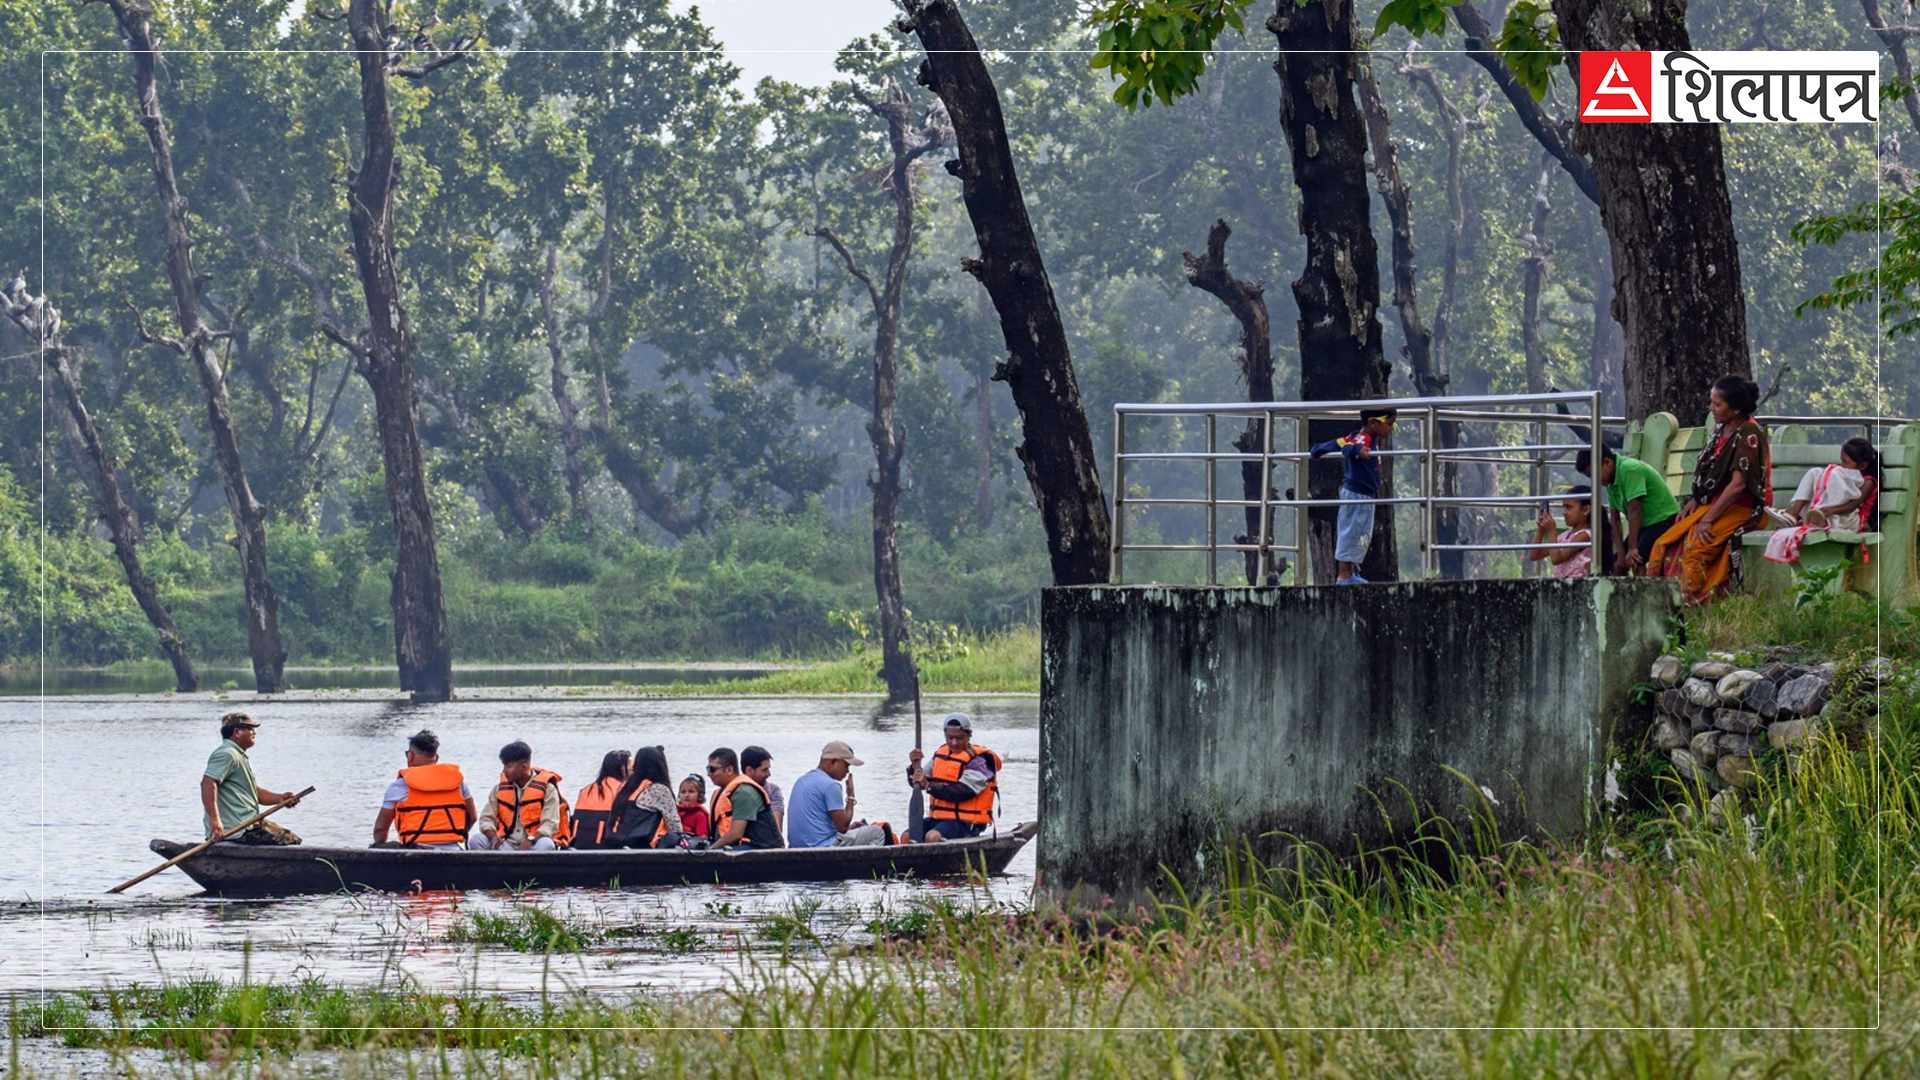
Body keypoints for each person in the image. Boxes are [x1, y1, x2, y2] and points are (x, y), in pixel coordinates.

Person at [1648, 375, 1772, 605]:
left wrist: (1708, 519)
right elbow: (1711, 477)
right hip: (1713, 505)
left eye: (1717, 404)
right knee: (1664, 544)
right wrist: (1697, 502)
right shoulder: (1720, 430)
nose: (1711, 408)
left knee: (1695, 553)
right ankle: (1660, 605)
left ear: (1735, 409)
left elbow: (1738, 486)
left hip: (1742, 508)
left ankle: (1693, 609)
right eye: (1711, 403)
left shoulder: (1749, 434)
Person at [1308, 406, 1396, 584]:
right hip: (1358, 495)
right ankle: (1343, 576)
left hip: (1363, 495)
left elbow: (1338, 443)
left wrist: (1318, 449)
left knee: (1358, 533)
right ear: (1373, 423)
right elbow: (1347, 448)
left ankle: (1350, 573)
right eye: (1389, 423)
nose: (1391, 428)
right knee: (1350, 532)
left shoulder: (1363, 437)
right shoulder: (1362, 439)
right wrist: (1357, 451)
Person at [1765, 437, 1880, 565]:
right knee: (1815, 472)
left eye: (1846, 462)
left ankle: (1819, 518)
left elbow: (1852, 506)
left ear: (1863, 465)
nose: (1842, 466)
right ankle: (1793, 514)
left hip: (1849, 520)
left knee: (1835, 474)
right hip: (1827, 513)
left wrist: (1828, 511)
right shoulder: (1845, 474)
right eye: (1841, 461)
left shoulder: (1868, 481)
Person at [1576, 444, 1680, 575]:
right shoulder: (1611, 484)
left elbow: (1634, 510)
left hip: (1664, 519)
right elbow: (1614, 519)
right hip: (1645, 526)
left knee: (1636, 559)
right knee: (1616, 565)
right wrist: (1621, 553)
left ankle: (1642, 591)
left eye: (1593, 474)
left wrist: (1632, 549)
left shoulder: (1629, 469)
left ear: (1607, 462)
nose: (1594, 480)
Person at [201, 713, 304, 845]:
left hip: (248, 825)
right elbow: (208, 783)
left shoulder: (237, 755)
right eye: (250, 728)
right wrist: (215, 820)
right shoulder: (227, 754)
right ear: (237, 732)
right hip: (237, 830)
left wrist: (280, 799)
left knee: (291, 839)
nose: (254, 732)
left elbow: (255, 792)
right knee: (291, 841)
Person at [372, 729, 477, 849]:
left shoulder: (399, 785)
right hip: (453, 849)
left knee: (375, 848)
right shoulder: (459, 783)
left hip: (414, 849)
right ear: (436, 758)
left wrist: (379, 844)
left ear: (410, 756)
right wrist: (454, 834)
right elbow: (473, 817)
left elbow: (380, 830)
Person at [908, 713, 1000, 841]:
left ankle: (935, 860)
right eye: (950, 738)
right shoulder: (941, 755)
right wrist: (914, 768)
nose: (954, 743)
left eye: (959, 738)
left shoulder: (979, 761)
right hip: (939, 819)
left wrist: (929, 786)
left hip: (966, 823)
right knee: (907, 836)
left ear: (969, 735)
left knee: (932, 836)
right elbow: (919, 781)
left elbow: (963, 791)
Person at [473, 741, 573, 851]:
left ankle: (535, 868)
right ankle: (493, 868)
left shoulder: (548, 789)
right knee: (476, 840)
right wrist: (493, 837)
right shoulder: (499, 789)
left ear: (524, 767)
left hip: (534, 844)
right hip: (506, 844)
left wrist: (530, 840)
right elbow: (486, 818)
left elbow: (550, 824)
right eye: (504, 766)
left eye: (509, 766)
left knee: (546, 844)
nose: (504, 771)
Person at [788, 740, 888, 848]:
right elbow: (843, 828)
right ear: (833, 762)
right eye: (846, 765)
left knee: (854, 832)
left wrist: (850, 828)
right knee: (877, 833)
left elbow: (818, 824)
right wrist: (850, 796)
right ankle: (861, 865)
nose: (847, 771)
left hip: (798, 847)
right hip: (824, 847)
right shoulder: (831, 785)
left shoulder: (801, 781)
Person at [706, 747, 783, 849]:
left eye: (712, 769)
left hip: (760, 848)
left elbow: (736, 834)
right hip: (739, 845)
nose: (708, 774)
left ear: (729, 770)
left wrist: (710, 851)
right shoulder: (721, 792)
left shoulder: (744, 792)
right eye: (707, 769)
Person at [1527, 486, 1612, 579]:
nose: (1564, 512)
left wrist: (1552, 530)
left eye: (1569, 507)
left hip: (1577, 585)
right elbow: (1534, 555)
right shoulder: (1565, 535)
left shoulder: (1585, 535)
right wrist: (1541, 529)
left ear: (1585, 510)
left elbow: (1556, 559)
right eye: (1564, 507)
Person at [609, 745, 679, 849]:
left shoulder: (626, 787)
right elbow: (674, 825)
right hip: (644, 846)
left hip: (619, 844)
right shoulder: (659, 789)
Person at [570, 750, 631, 850]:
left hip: (579, 844)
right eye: (631, 767)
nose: (634, 769)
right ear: (621, 769)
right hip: (608, 846)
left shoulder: (586, 790)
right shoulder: (623, 790)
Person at [743, 745, 784, 834]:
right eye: (764, 770)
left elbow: (776, 828)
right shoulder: (735, 792)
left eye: (769, 769)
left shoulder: (773, 790)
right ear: (749, 770)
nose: (769, 774)